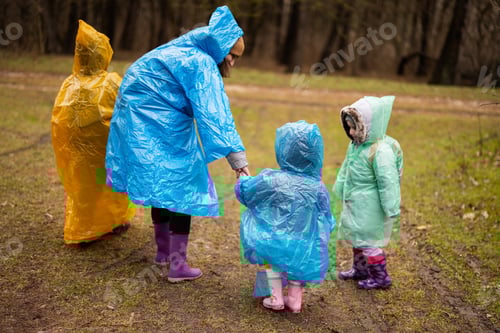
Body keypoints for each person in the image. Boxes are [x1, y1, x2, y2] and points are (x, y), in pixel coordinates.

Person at [105, 6, 249, 283]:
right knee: (184, 186)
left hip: (135, 117)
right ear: (220, 48)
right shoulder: (202, 62)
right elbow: (215, 114)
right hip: (156, 118)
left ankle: (163, 254)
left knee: (162, 183)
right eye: (231, 55)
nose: (231, 62)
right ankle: (177, 265)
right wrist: (239, 161)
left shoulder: (180, 49)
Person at [236, 121, 335, 313]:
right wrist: (326, 229)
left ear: (283, 150)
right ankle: (294, 300)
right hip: (304, 243)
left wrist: (242, 180)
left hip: (274, 238)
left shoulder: (273, 180)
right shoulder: (317, 186)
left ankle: (276, 298)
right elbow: (326, 215)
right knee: (297, 271)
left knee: (273, 264)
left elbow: (248, 192)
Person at [51, 20, 135, 246]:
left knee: (84, 186)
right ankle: (109, 222)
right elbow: (128, 112)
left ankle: (88, 227)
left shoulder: (69, 83)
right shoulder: (111, 82)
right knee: (108, 182)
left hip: (77, 149)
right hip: (104, 148)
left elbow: (59, 119)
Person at [334, 96, 403, 289]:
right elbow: (346, 167)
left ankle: (381, 278)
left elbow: (387, 181)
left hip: (371, 205)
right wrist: (340, 186)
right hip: (356, 201)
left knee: (369, 241)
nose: (351, 131)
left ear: (368, 125)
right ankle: (361, 270)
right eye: (348, 126)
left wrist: (391, 205)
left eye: (354, 127)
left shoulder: (380, 151)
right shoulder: (356, 145)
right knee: (358, 236)